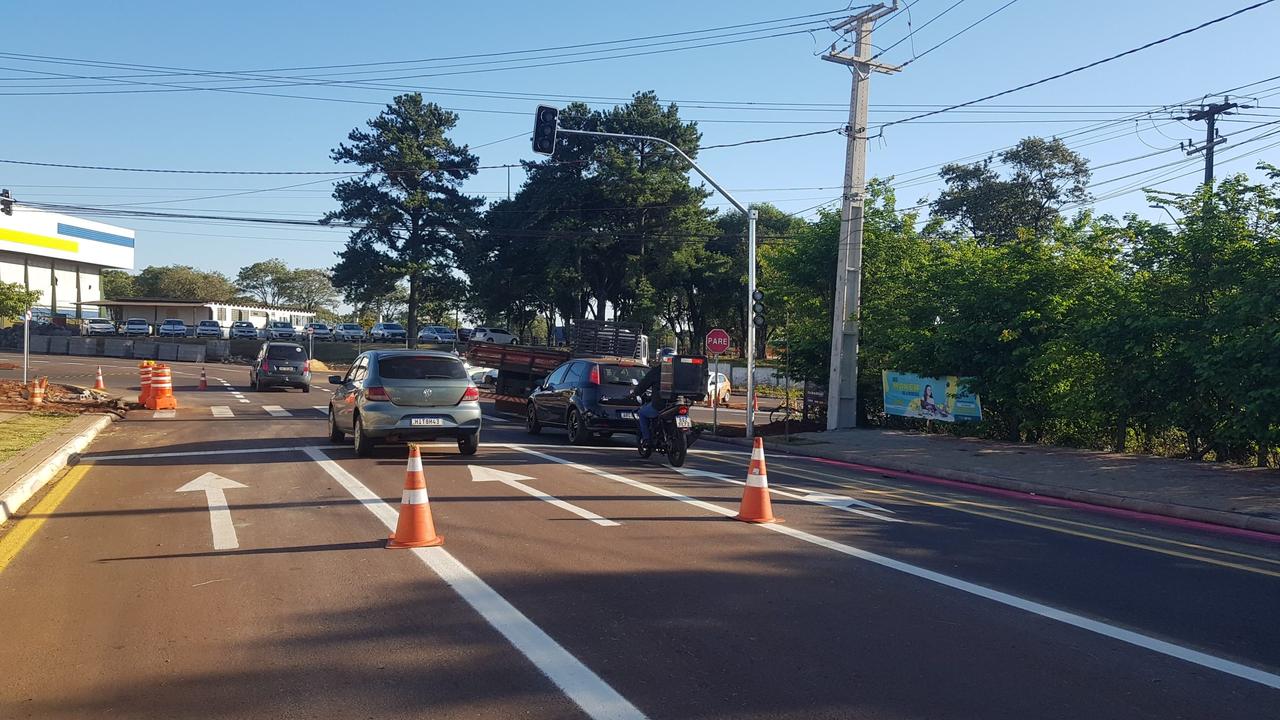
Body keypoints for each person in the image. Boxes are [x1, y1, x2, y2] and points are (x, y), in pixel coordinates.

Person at [631, 362, 666, 448]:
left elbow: (644, 384)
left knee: (642, 413)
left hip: (661, 404)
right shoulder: (681, 370)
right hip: (679, 402)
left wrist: (636, 392)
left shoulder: (657, 371)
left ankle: (646, 439)